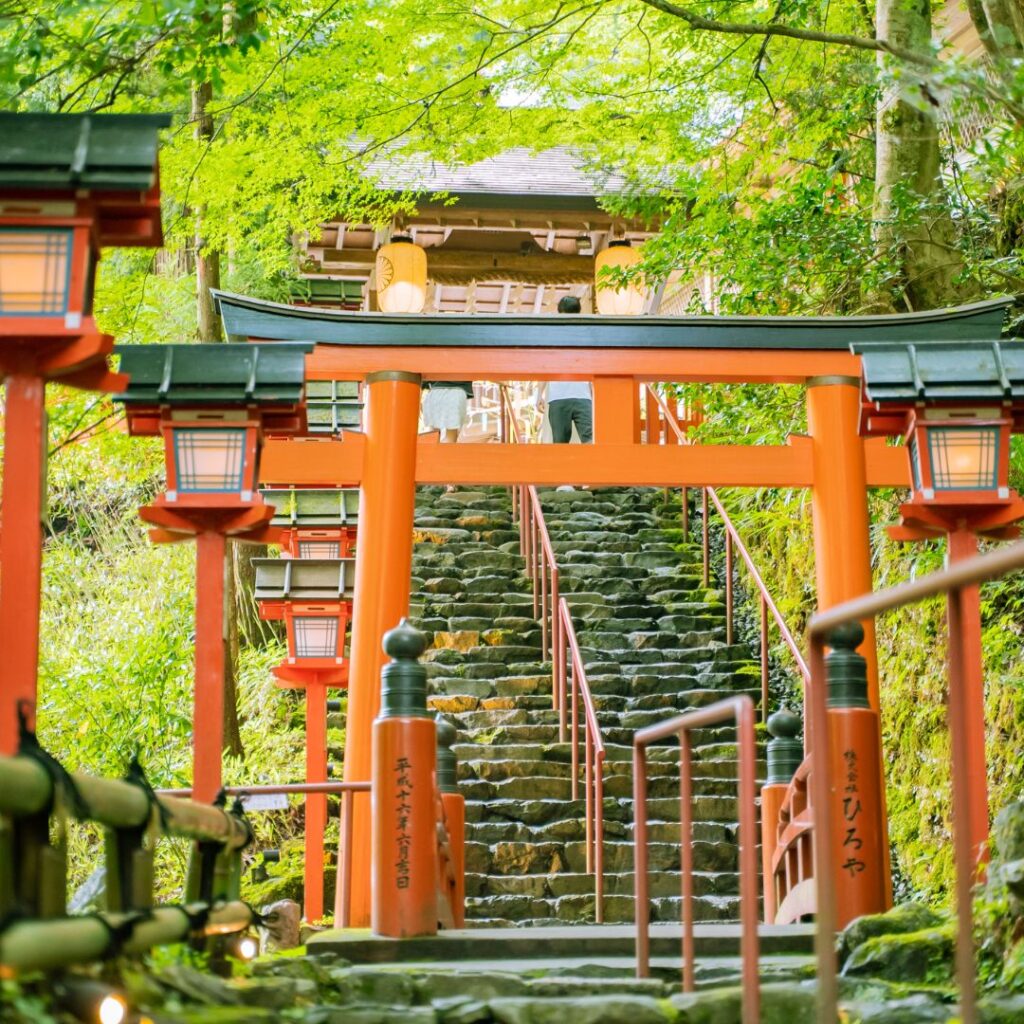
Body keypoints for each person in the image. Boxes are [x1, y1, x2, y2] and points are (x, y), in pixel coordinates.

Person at [537, 295, 592, 444]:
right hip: (581, 395)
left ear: (560, 312)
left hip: (561, 396)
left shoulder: (551, 336)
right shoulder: (587, 334)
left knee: (560, 443)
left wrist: (539, 394)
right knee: (590, 441)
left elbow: (545, 366)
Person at [421, 379, 473, 443]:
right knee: (450, 434)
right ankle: (446, 452)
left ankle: (431, 452)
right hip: (456, 392)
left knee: (432, 433)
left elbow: (423, 379)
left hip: (434, 393)